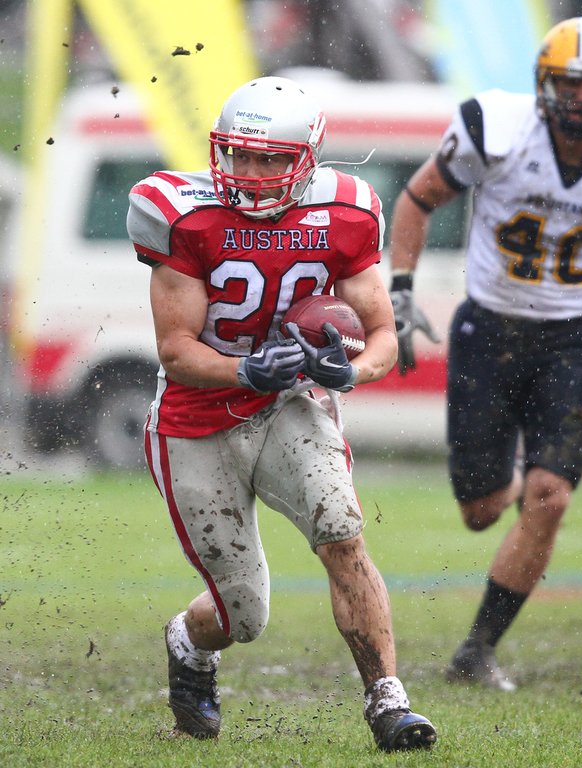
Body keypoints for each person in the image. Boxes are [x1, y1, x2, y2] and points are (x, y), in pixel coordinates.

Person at [126, 76, 436, 751]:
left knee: (342, 534)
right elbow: (176, 349)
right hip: (196, 421)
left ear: (307, 160)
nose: (249, 172)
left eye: (270, 159)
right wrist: (242, 368)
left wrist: (350, 372)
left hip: (288, 403)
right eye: (238, 154)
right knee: (244, 614)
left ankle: (389, 702)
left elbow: (381, 335)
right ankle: (188, 643)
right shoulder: (182, 215)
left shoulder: (345, 212)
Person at [388, 17, 582, 690]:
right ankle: (532, 479)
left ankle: (477, 651)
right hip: (487, 330)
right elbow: (417, 199)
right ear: (543, 84)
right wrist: (401, 289)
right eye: (570, 84)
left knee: (551, 499)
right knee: (481, 511)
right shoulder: (497, 130)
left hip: (568, 339)